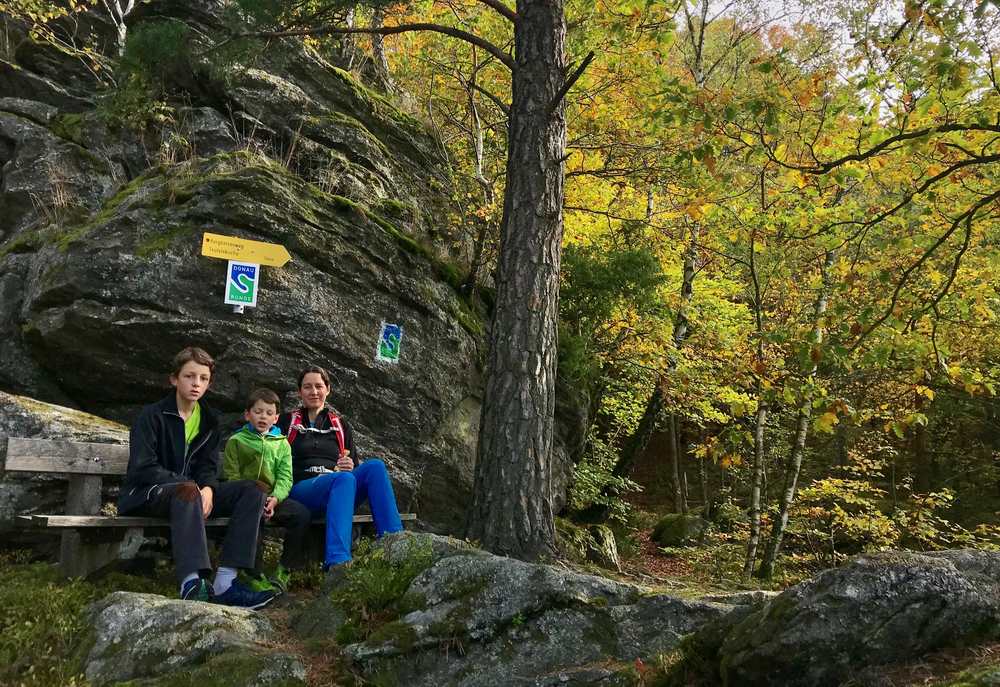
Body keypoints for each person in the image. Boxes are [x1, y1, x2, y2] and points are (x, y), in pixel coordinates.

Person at [118, 347, 276, 609]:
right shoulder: (153, 416)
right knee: (187, 489)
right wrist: (191, 485)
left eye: (203, 378)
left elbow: (207, 467)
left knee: (253, 490)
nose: (196, 384)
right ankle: (192, 583)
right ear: (174, 379)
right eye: (190, 376)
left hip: (192, 496)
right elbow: (143, 467)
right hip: (148, 494)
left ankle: (226, 581)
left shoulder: (209, 420)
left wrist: (210, 490)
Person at [277, 365, 403, 569]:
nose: (314, 391)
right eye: (307, 387)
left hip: (338, 488)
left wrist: (350, 465)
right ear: (300, 391)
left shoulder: (340, 425)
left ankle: (394, 542)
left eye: (319, 386)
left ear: (328, 389)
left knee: (375, 467)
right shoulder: (286, 422)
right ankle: (337, 561)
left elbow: (352, 467)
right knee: (344, 480)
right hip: (300, 489)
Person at [222, 387, 311, 593]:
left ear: (276, 418)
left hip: (272, 499)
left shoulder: (282, 444)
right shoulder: (236, 441)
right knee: (255, 518)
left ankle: (285, 568)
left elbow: (285, 476)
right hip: (246, 500)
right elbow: (231, 476)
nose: (263, 417)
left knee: (302, 514)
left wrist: (275, 499)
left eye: (269, 413)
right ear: (247, 414)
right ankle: (253, 572)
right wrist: (254, 499)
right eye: (258, 411)